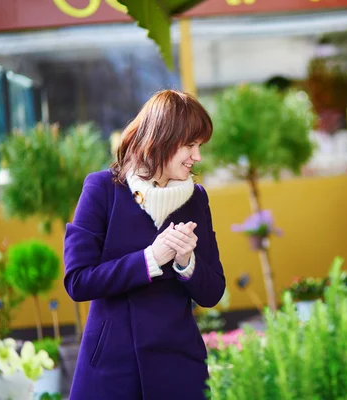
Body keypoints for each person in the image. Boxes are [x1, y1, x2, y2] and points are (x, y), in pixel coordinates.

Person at [63, 89, 226, 399]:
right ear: (161, 138)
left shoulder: (196, 199)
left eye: (200, 145)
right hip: (111, 371)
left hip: (179, 370)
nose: (197, 156)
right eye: (190, 145)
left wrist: (186, 262)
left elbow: (213, 292)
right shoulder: (102, 189)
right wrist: (150, 258)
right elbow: (78, 280)